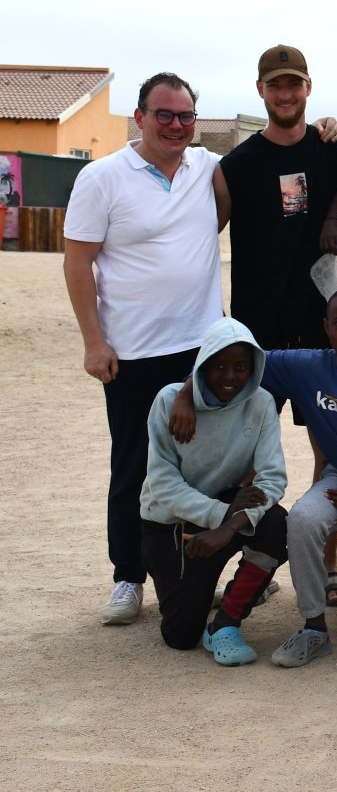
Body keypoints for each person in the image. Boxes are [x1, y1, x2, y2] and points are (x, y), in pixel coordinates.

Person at [173, 286, 337, 666]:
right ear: (326, 327)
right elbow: (241, 358)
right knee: (301, 519)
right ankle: (314, 628)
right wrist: (186, 392)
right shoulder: (308, 366)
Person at [63, 71, 224, 626]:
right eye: (164, 115)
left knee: (204, 468)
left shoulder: (206, 167)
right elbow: (77, 263)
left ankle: (200, 576)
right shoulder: (101, 177)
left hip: (201, 349)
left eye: (185, 116)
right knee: (134, 465)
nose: (176, 125)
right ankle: (128, 578)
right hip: (132, 352)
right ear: (140, 117)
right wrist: (94, 342)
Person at [217, 44, 337, 605]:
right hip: (259, 333)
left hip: (321, 327)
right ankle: (251, 569)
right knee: (247, 457)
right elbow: (196, 236)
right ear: (260, 91)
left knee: (332, 450)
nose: (285, 94)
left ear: (308, 87)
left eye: (293, 83)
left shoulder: (331, 149)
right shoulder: (236, 165)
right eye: (275, 85)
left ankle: (328, 564)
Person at [140, 318, 287, 665]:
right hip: (171, 523)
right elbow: (163, 484)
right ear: (202, 366)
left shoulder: (262, 402)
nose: (230, 376)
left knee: (278, 525)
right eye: (219, 366)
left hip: (227, 511)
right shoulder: (168, 401)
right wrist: (221, 514)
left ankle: (226, 621)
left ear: (253, 368)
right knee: (180, 636)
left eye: (241, 367)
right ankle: (202, 589)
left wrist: (228, 526)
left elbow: (272, 479)